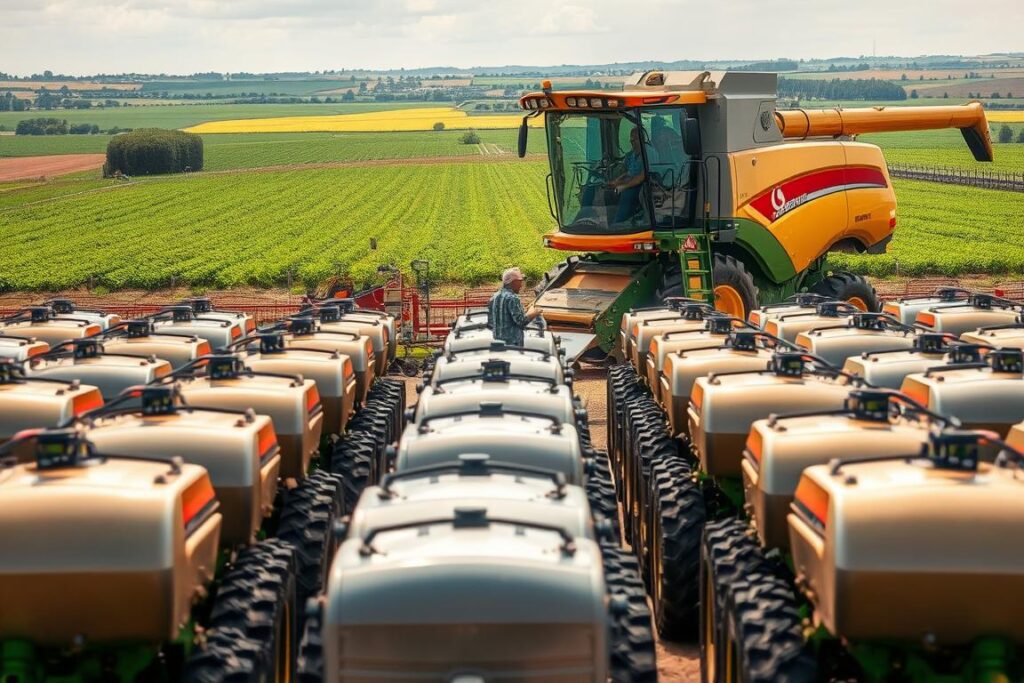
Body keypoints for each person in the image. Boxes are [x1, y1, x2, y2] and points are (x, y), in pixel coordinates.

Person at [488, 267, 535, 346]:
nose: (521, 285)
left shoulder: (495, 296)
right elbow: (521, 322)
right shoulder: (513, 298)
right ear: (514, 282)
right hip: (513, 345)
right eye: (520, 281)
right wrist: (533, 313)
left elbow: (490, 322)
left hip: (497, 343)